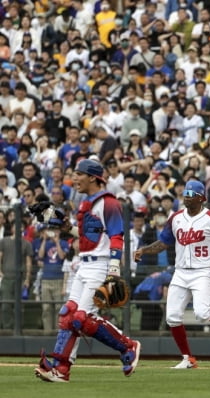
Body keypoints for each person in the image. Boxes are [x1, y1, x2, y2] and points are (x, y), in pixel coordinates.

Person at [36, 159, 140, 383]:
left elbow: (116, 236)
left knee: (82, 318)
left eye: (77, 174)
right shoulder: (87, 202)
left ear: (92, 177)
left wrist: (113, 268)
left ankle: (128, 346)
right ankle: (60, 368)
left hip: (101, 264)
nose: (73, 179)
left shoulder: (108, 202)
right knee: (68, 314)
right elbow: (87, 236)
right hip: (84, 263)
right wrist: (61, 224)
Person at [133, 180, 210, 369]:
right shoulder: (176, 218)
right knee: (172, 316)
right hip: (180, 271)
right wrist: (144, 250)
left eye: (191, 195)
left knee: (202, 313)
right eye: (185, 195)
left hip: (203, 271)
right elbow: (163, 243)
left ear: (201, 198)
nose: (187, 198)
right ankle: (188, 358)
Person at [0, 223, 34, 329]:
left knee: (19, 306)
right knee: (6, 305)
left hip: (21, 278)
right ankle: (7, 328)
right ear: (12, 229)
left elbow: (29, 262)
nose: (19, 228)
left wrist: (27, 279)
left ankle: (18, 328)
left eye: (21, 227)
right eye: (17, 226)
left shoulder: (26, 243)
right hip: (7, 278)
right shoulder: (4, 241)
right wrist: (0, 272)